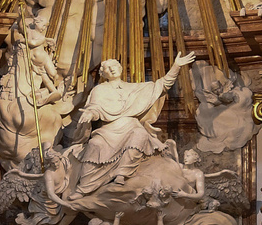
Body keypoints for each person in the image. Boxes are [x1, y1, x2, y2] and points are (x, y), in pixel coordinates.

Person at [68, 51, 196, 199]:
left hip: (130, 126)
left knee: (140, 134)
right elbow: (95, 108)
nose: (111, 69)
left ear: (121, 68)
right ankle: (84, 187)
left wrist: (176, 66)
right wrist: (90, 113)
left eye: (114, 66)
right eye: (107, 69)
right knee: (95, 144)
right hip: (109, 130)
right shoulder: (100, 90)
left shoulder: (136, 88)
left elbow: (163, 85)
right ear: (103, 74)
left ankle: (122, 173)